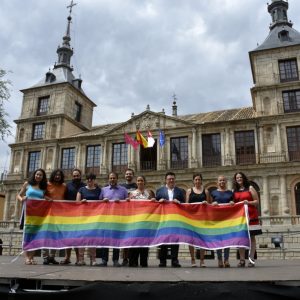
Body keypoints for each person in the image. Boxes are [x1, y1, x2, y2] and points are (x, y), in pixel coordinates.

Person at [16, 168, 48, 265]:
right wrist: (22, 199)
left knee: (36, 235)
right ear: (34, 175)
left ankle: (31, 257)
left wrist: (50, 200)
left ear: (43, 177)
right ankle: (27, 258)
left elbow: (44, 198)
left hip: (38, 215)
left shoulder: (43, 188)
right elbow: (18, 195)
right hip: (28, 213)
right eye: (37, 174)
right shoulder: (27, 184)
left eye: (41, 175)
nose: (38, 176)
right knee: (27, 235)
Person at [98, 172, 128, 267]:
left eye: (114, 178)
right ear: (108, 179)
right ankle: (104, 260)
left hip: (118, 218)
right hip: (106, 218)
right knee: (105, 240)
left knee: (117, 239)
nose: (112, 179)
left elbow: (128, 203)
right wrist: (103, 201)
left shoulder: (123, 190)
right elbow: (98, 204)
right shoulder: (103, 190)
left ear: (117, 179)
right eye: (111, 178)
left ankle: (115, 260)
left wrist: (121, 202)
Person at [156, 171, 185, 268]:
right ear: (166, 180)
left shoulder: (180, 191)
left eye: (173, 179)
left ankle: (174, 260)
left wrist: (179, 202)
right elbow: (155, 205)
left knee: (175, 240)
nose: (171, 180)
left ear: (175, 180)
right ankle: (162, 261)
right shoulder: (160, 191)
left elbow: (184, 204)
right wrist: (159, 202)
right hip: (163, 219)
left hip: (175, 220)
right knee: (163, 240)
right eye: (169, 179)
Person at [233, 172, 262, 268]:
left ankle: (251, 259)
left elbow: (256, 202)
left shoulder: (250, 188)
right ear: (235, 179)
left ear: (243, 178)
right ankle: (242, 260)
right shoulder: (235, 190)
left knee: (252, 238)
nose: (239, 179)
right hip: (240, 218)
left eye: (240, 177)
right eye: (237, 178)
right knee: (240, 238)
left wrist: (248, 202)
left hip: (251, 215)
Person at [128, 175, 156, 267]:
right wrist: (127, 201)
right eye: (138, 180)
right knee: (134, 242)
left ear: (144, 182)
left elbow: (153, 205)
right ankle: (133, 262)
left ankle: (143, 262)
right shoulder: (132, 194)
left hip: (145, 222)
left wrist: (153, 201)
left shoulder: (149, 193)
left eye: (141, 180)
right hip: (135, 222)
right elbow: (129, 207)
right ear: (136, 182)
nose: (140, 182)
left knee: (144, 242)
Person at [60, 168, 85, 265]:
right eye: (74, 176)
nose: (76, 177)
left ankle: (78, 258)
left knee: (77, 237)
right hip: (68, 214)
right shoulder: (68, 186)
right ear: (72, 176)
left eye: (77, 175)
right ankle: (67, 257)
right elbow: (63, 198)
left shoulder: (83, 186)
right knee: (68, 237)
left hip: (80, 215)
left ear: (80, 176)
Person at [76, 173, 101, 266]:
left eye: (91, 179)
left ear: (94, 180)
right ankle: (81, 259)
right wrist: (81, 202)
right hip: (83, 217)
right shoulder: (81, 189)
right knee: (82, 238)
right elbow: (76, 203)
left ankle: (93, 259)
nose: (89, 180)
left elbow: (101, 202)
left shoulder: (98, 190)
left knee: (93, 239)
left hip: (94, 217)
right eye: (88, 179)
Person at [42, 169, 67, 265]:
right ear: (53, 175)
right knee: (46, 234)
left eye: (59, 175)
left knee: (55, 235)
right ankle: (45, 256)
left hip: (59, 213)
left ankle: (52, 257)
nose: (57, 176)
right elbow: (42, 195)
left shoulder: (64, 186)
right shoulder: (47, 184)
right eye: (56, 175)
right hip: (48, 213)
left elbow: (64, 198)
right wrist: (48, 199)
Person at [186, 173, 210, 268]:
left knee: (202, 239)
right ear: (193, 181)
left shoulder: (206, 191)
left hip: (202, 218)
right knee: (191, 239)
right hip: (191, 218)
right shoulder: (189, 191)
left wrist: (206, 203)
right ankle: (193, 259)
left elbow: (209, 205)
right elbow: (187, 204)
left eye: (199, 179)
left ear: (201, 180)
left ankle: (202, 260)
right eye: (196, 179)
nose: (197, 181)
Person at [211, 175, 234, 268]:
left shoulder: (230, 193)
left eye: (224, 180)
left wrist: (232, 203)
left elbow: (234, 204)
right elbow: (208, 205)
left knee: (227, 241)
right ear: (217, 182)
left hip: (227, 219)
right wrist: (213, 204)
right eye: (220, 180)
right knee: (218, 240)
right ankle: (220, 260)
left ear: (226, 182)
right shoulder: (213, 193)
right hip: (217, 220)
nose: (222, 182)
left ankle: (226, 260)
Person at [120, 168, 138, 266]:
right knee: (124, 237)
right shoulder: (121, 186)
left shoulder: (136, 186)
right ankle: (124, 258)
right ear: (125, 176)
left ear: (133, 175)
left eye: (130, 174)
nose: (128, 175)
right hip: (124, 213)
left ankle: (131, 257)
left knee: (132, 237)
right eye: (127, 174)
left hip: (133, 213)